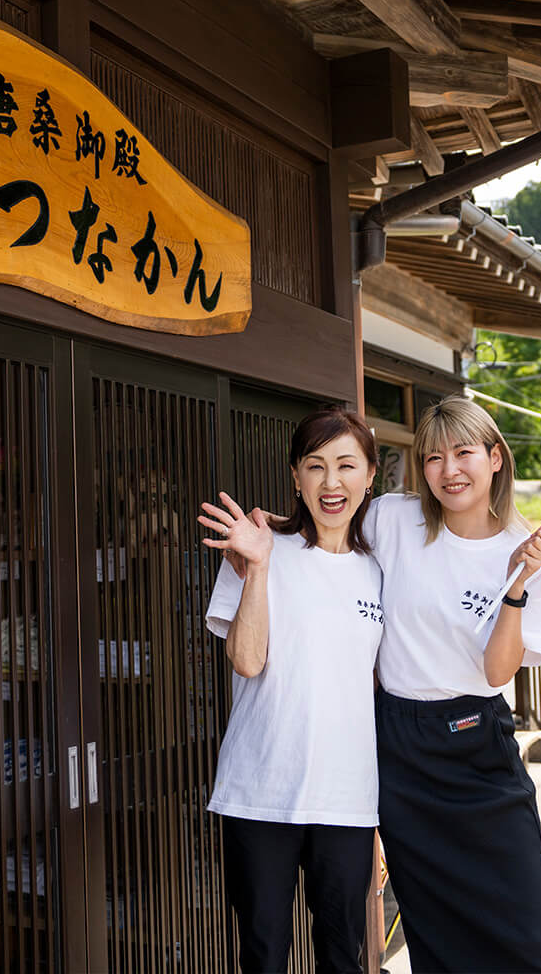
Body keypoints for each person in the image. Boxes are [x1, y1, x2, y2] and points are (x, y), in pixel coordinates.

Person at [366, 394, 541, 974]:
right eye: (433, 458)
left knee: (529, 929)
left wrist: (516, 584)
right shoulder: (391, 519)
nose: (449, 471)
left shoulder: (531, 555)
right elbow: (327, 538)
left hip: (477, 742)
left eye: (463, 453)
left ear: (495, 458)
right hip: (401, 750)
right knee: (435, 934)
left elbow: (497, 671)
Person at [197, 408, 384, 974]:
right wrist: (256, 565)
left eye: (346, 465)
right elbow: (247, 660)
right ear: (295, 477)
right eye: (316, 466)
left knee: (343, 957)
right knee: (263, 956)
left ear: (370, 475)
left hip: (348, 798)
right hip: (261, 791)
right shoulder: (259, 548)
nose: (332, 483)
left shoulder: (380, 566)